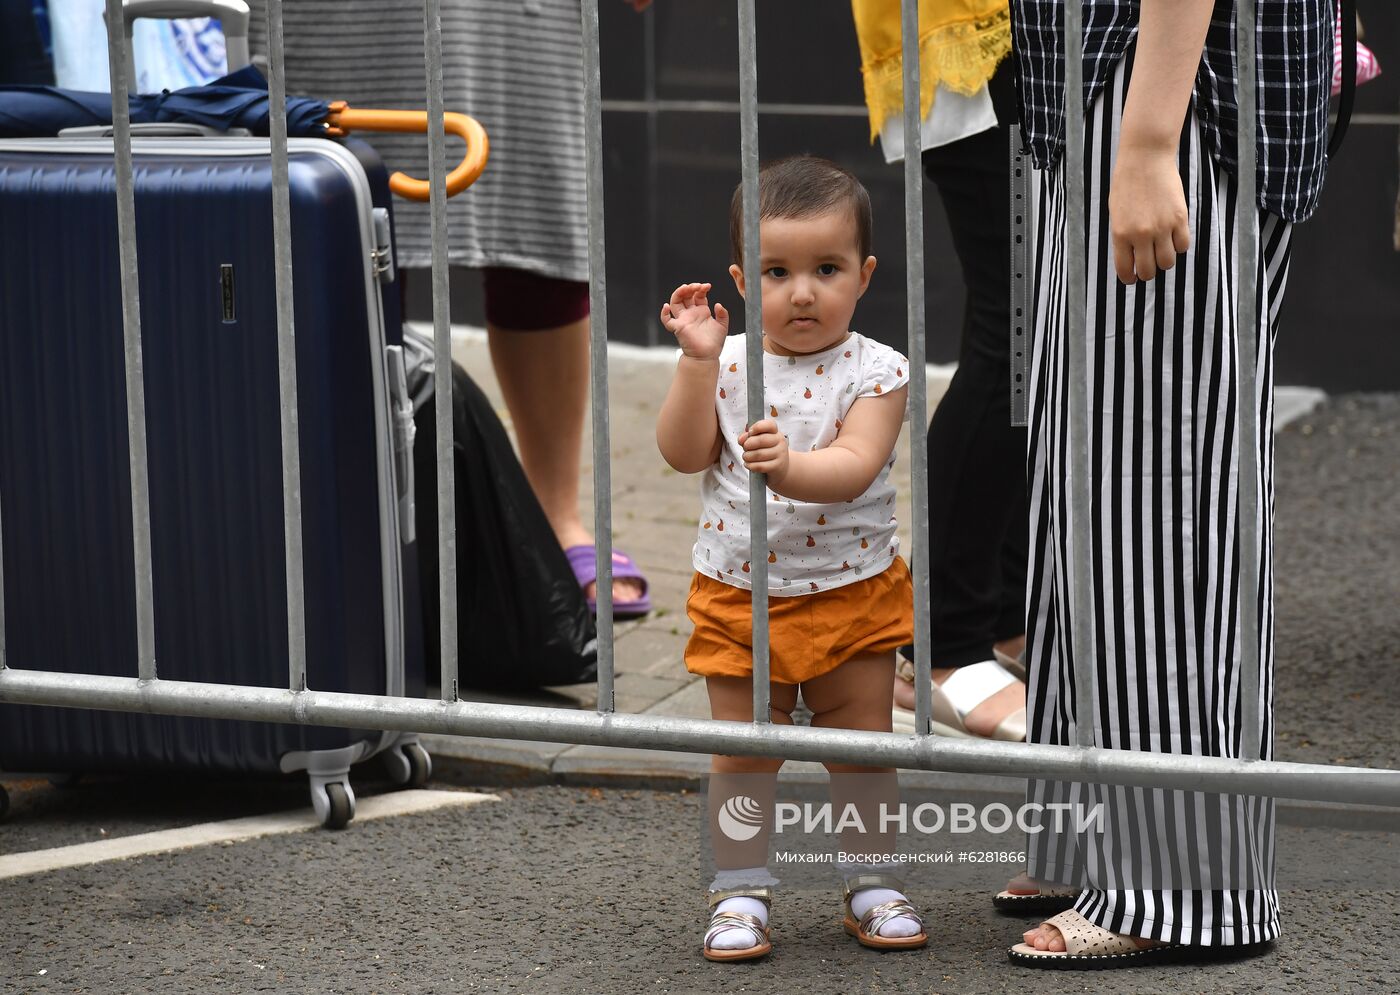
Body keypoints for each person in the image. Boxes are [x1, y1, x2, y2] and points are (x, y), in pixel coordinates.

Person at [1004, 0, 1336, 968]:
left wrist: (1147, 135)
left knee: (1151, 484)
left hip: (1165, 87)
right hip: (1133, 80)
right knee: (1097, 468)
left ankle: (1180, 878)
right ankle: (1094, 835)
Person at [248, 0, 652, 617]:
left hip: (515, 22)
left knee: (540, 217)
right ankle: (358, 519)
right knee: (343, 224)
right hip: (334, 22)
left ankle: (555, 517)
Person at [655, 156, 926, 961]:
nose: (801, 292)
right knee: (742, 752)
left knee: (863, 746)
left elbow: (855, 466)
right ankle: (739, 889)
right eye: (777, 271)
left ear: (865, 275)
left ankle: (874, 881)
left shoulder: (878, 371)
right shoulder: (731, 361)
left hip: (854, 594)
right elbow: (681, 451)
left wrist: (787, 467)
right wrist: (697, 361)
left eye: (826, 269)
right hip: (740, 592)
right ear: (742, 278)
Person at [850, 0, 1029, 743]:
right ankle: (942, 645)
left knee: (1034, 330)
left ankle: (1002, 617)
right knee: (1014, 325)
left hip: (1021, 39)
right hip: (972, 35)